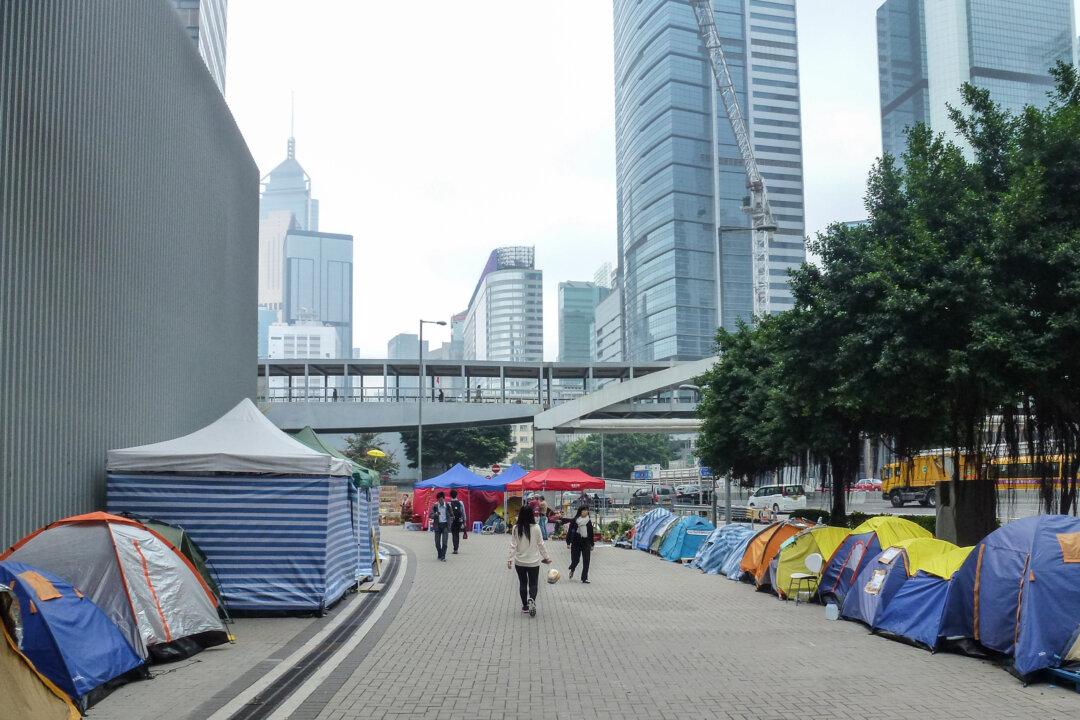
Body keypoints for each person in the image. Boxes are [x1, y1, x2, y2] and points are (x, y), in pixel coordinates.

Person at [507, 505, 551, 617]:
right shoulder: (536, 527)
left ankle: (525, 606)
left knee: (522, 583)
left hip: (520, 562)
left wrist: (510, 559)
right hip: (533, 562)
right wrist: (546, 557)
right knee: (533, 583)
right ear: (531, 515)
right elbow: (541, 544)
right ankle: (532, 599)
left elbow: (513, 545)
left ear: (520, 515)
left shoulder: (516, 528)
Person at [566, 506, 594, 583]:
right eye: (584, 510)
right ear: (580, 511)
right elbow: (570, 532)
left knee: (586, 560)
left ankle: (584, 578)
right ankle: (572, 568)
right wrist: (568, 543)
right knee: (576, 560)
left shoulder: (588, 521)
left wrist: (592, 544)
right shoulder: (575, 521)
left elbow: (591, 533)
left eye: (587, 510)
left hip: (586, 542)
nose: (586, 512)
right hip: (576, 542)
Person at [428, 492, 451, 561]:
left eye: (441, 499)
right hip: (437, 526)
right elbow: (430, 516)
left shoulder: (447, 506)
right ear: (437, 500)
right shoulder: (435, 506)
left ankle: (443, 556)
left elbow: (451, 514)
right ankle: (440, 554)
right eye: (439, 500)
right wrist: (435, 514)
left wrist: (450, 523)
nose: (440, 501)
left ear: (444, 499)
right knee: (437, 543)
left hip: (445, 525)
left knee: (444, 542)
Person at [449, 489, 467, 554]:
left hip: (452, 521)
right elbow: (463, 512)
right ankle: (456, 548)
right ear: (457, 495)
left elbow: (448, 514)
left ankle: (455, 549)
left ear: (450, 495)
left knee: (454, 534)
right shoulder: (460, 503)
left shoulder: (449, 503)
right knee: (457, 534)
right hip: (459, 521)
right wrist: (464, 521)